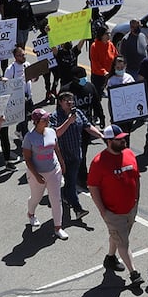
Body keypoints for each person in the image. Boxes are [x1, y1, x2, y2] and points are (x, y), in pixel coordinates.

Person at [87, 124, 143, 287]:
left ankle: (110, 258)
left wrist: (137, 198)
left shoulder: (129, 153)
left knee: (118, 237)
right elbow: (93, 187)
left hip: (131, 207)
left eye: (123, 138)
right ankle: (134, 273)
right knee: (123, 242)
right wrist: (103, 211)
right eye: (119, 140)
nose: (124, 141)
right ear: (109, 141)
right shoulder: (98, 162)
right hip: (113, 212)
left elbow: (136, 177)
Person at [52, 89, 100, 223]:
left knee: (69, 181)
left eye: (72, 100)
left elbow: (88, 126)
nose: (70, 103)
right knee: (71, 182)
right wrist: (68, 121)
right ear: (61, 102)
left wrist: (101, 136)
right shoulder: (55, 116)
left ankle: (65, 195)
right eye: (67, 101)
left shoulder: (78, 113)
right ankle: (77, 208)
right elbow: (55, 133)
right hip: (63, 156)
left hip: (76, 154)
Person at [22, 108, 68, 240]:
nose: (48, 121)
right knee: (36, 198)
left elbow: (56, 149)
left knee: (56, 199)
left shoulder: (51, 132)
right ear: (36, 122)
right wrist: (36, 175)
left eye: (47, 118)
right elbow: (28, 159)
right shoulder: (29, 138)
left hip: (54, 170)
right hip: (37, 173)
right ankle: (31, 214)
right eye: (44, 119)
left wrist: (62, 163)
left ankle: (58, 228)